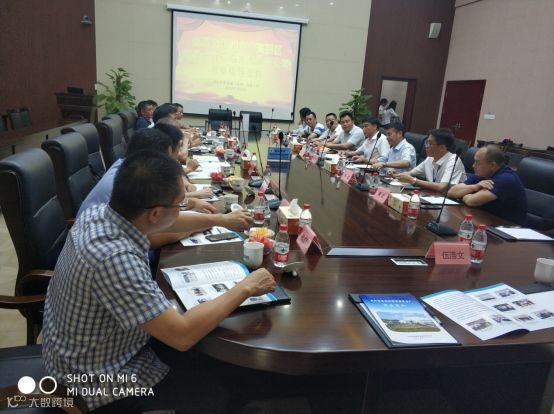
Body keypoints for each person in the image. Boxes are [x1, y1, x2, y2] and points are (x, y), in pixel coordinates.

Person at [43, 150, 276, 413]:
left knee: (202, 355)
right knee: (212, 393)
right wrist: (247, 286)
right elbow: (182, 335)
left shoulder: (102, 214)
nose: (182, 208)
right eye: (179, 204)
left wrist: (212, 221)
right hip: (95, 381)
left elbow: (164, 229)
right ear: (155, 214)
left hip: (87, 352)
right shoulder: (114, 260)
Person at [78, 127, 252, 245]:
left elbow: (155, 220)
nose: (173, 162)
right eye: (169, 159)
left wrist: (213, 218)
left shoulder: (128, 172)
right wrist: (194, 228)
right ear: (153, 160)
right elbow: (152, 237)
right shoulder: (129, 183)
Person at [448, 145, 527, 225]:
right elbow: (451, 192)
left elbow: (471, 201)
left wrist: (463, 195)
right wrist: (474, 187)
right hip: (485, 219)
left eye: (477, 162)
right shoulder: (483, 174)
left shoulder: (506, 179)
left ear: (492, 165)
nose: (473, 166)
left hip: (506, 227)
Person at [395, 128, 466, 191]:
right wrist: (396, 175)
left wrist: (414, 180)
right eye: (427, 142)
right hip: (433, 195)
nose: (426, 146)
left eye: (430, 143)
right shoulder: (430, 158)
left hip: (451, 199)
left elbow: (441, 187)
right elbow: (411, 173)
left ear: (442, 147)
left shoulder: (454, 160)